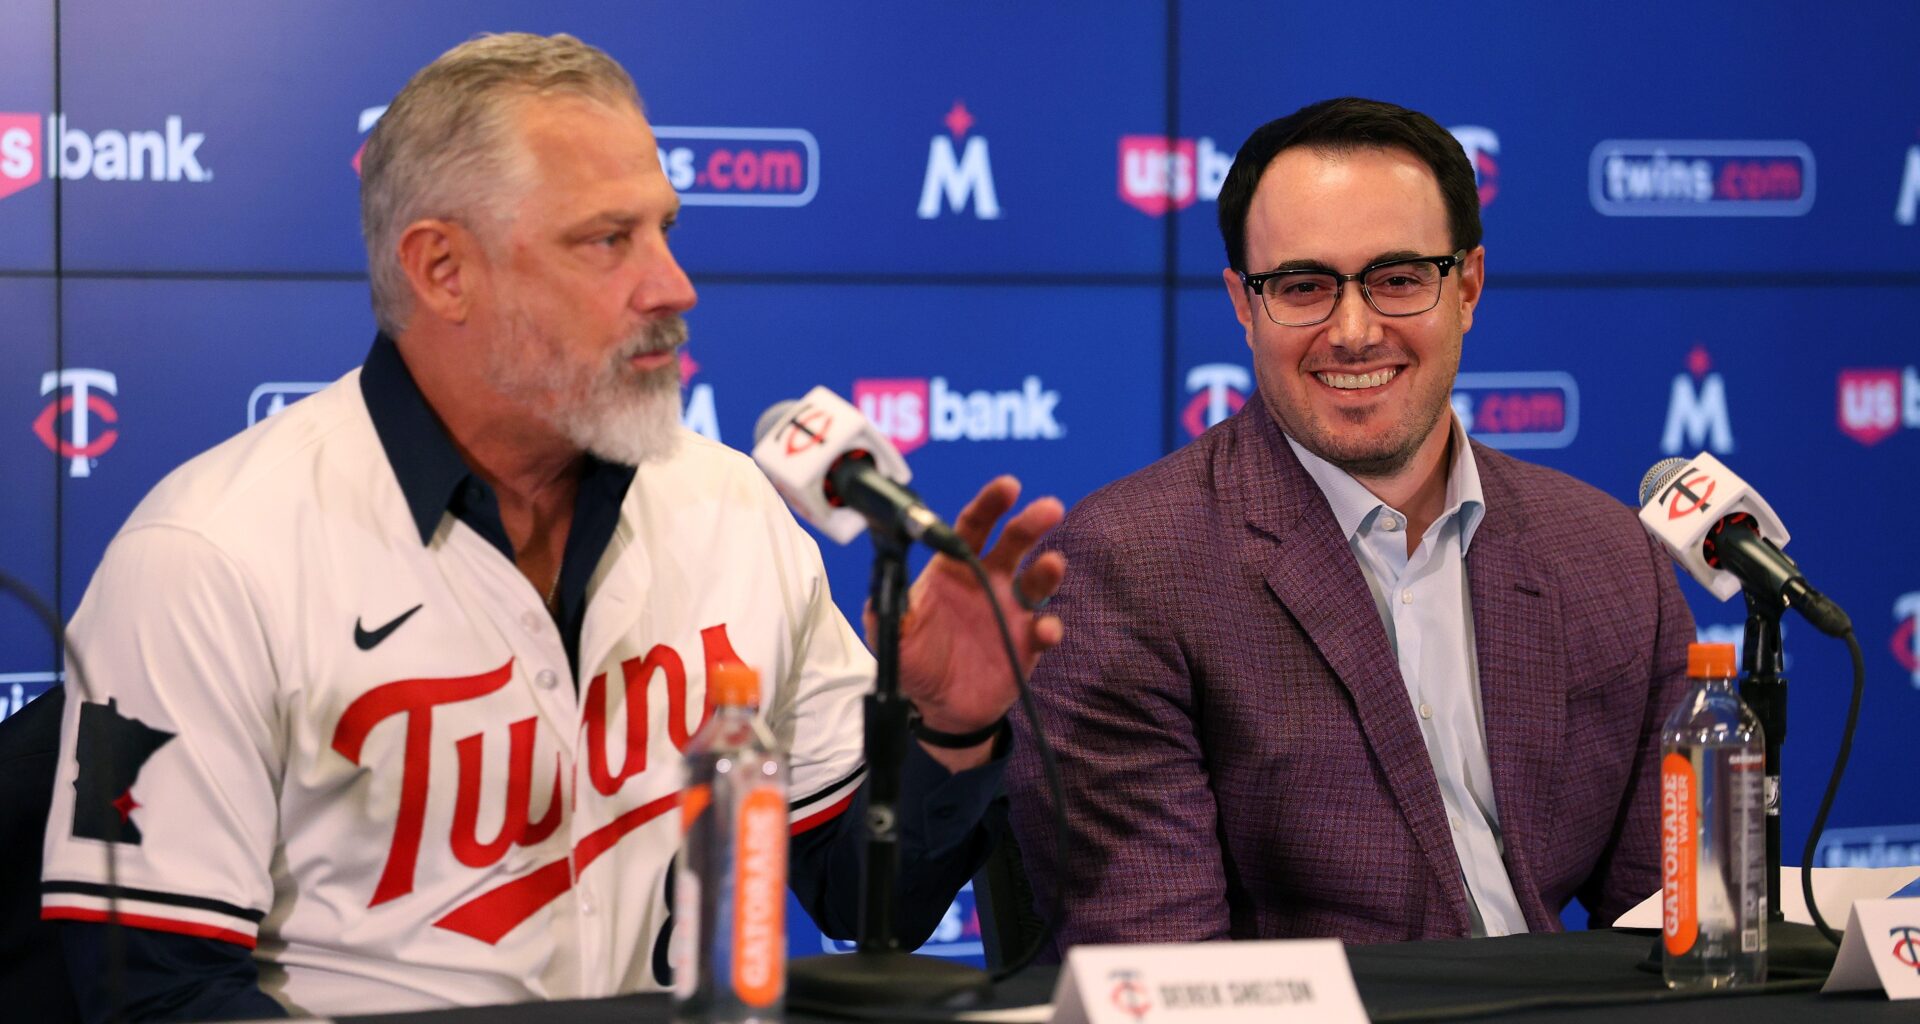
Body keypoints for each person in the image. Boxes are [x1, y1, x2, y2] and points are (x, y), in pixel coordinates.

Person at [39, 33, 1065, 1020]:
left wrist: (953, 732)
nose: (673, 286)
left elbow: (868, 905)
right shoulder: (210, 555)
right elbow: (156, 992)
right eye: (608, 240)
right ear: (443, 270)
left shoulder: (730, 509)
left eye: (666, 229)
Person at [1007, 97, 1692, 950]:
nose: (1355, 331)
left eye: (1399, 278)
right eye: (1303, 288)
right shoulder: (1127, 567)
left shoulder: (1609, 554)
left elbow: (1679, 931)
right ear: (1243, 305)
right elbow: (1166, 980)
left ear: (1468, 286)